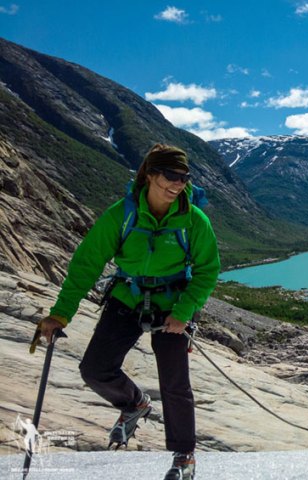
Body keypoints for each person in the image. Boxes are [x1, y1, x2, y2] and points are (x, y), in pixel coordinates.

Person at [34, 144, 220, 480]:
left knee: (175, 383)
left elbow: (207, 270)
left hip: (172, 302)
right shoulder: (122, 214)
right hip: (127, 295)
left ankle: (184, 455)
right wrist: (61, 314)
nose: (178, 183)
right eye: (171, 176)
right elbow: (86, 264)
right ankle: (134, 403)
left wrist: (184, 311)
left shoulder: (194, 219)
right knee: (95, 369)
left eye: (184, 177)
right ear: (150, 175)